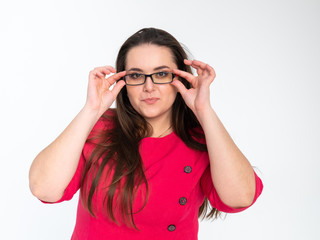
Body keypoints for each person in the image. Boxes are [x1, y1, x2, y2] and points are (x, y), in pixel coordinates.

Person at [29, 27, 263, 240]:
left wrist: (204, 111)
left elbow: (240, 196)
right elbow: (44, 188)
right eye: (136, 75)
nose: (148, 87)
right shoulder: (98, 128)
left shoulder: (201, 140)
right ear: (124, 82)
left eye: (161, 74)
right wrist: (91, 110)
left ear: (180, 78)